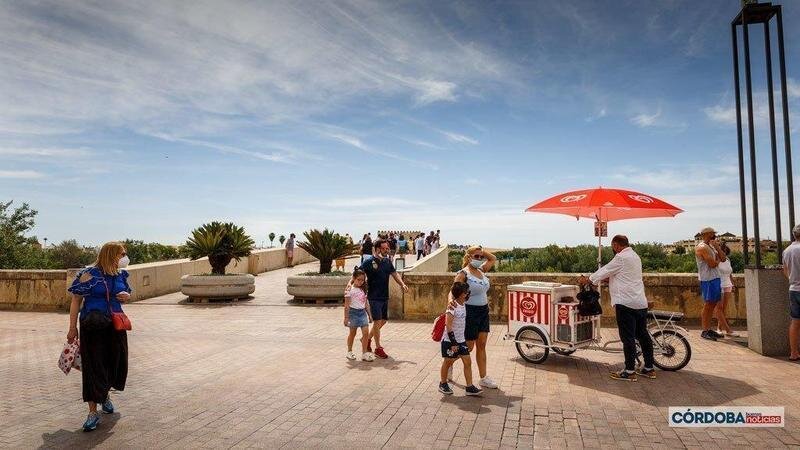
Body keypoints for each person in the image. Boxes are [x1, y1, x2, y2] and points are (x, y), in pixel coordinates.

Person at [66, 242, 132, 431]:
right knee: (94, 367)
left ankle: (105, 394)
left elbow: (128, 293)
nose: (124, 257)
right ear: (111, 255)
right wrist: (72, 328)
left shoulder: (121, 275)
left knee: (116, 363)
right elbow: (76, 300)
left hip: (116, 325)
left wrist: (126, 297)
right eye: (122, 254)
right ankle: (93, 412)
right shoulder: (88, 274)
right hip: (93, 325)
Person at [579, 235, 655, 382]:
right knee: (643, 335)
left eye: (613, 246)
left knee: (628, 338)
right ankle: (649, 368)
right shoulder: (635, 257)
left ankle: (629, 370)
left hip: (625, 303)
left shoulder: (620, 257)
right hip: (640, 302)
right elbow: (620, 275)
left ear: (616, 245)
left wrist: (588, 279)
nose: (613, 249)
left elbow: (605, 270)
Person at [452, 245, 498, 389]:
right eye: (476, 256)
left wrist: (480, 250)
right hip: (470, 312)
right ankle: (448, 363)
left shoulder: (481, 270)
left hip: (483, 311)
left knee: (482, 345)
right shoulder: (464, 273)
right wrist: (450, 304)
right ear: (469, 257)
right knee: (469, 346)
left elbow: (493, 258)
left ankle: (483, 377)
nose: (479, 259)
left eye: (480, 257)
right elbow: (453, 291)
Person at [360, 238, 409, 358]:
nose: (387, 250)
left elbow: (394, 273)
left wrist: (402, 284)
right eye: (384, 248)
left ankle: (366, 339)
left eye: (387, 248)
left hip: (384, 296)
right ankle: (378, 348)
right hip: (373, 297)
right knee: (377, 322)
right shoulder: (369, 262)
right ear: (377, 249)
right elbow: (358, 274)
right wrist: (350, 286)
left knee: (383, 321)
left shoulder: (387, 262)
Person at [439, 281, 482, 396]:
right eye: (467, 292)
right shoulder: (452, 307)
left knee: (467, 362)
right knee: (447, 362)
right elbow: (448, 326)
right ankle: (443, 383)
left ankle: (469, 387)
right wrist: (453, 343)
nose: (468, 293)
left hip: (461, 340)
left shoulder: (463, 305)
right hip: (450, 341)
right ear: (462, 294)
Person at [695, 227, 727, 341]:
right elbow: (712, 264)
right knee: (708, 305)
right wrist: (717, 260)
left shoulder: (712, 246)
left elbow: (723, 258)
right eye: (713, 234)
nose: (714, 235)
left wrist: (717, 247)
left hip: (715, 278)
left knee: (713, 304)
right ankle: (705, 330)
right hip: (708, 279)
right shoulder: (702, 247)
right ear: (706, 234)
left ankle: (708, 329)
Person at [344, 268, 374, 362]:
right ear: (354, 278)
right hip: (353, 313)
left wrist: (369, 315)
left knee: (366, 333)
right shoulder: (349, 290)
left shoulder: (364, 289)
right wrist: (346, 318)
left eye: (362, 280)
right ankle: (349, 351)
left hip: (362, 313)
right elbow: (346, 306)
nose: (360, 282)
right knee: (352, 333)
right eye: (358, 280)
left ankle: (364, 353)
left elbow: (366, 303)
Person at [783, 224, 800, 361]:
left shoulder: (787, 250)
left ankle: (794, 353)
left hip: (794, 289)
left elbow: (785, 270)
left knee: (795, 322)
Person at [716, 243, 738, 337]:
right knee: (719, 308)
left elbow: (730, 273)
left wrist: (732, 284)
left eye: (724, 252)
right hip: (719, 284)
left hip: (727, 284)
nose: (723, 253)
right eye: (722, 251)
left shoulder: (727, 260)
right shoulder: (716, 260)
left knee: (724, 309)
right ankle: (728, 330)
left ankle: (719, 328)